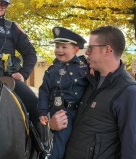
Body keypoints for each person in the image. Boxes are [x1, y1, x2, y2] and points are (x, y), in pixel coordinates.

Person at [50, 26, 136, 159]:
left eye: (91, 48)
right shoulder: (87, 81)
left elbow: (131, 149)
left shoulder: (128, 92)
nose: (87, 52)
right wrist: (53, 125)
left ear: (107, 50)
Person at [0, 0, 42, 135]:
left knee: (37, 106)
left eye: (4, 3)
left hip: (7, 81)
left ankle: (43, 145)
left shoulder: (12, 28)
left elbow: (30, 54)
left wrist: (23, 74)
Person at [38, 27, 89, 159]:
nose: (59, 50)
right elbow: (44, 92)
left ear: (76, 49)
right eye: (57, 46)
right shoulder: (51, 70)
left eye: (64, 47)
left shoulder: (85, 67)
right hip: (61, 113)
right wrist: (43, 111)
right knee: (58, 145)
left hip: (81, 113)